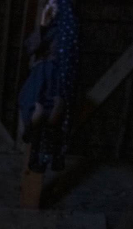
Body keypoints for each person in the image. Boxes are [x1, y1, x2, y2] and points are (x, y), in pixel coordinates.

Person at [17, 0, 79, 172]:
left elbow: (71, 56)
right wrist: (43, 25)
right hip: (41, 75)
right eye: (48, 4)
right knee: (32, 107)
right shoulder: (47, 28)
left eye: (54, 3)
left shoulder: (69, 29)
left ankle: (47, 156)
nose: (50, 7)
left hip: (59, 77)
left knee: (54, 117)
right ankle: (34, 145)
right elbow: (30, 48)